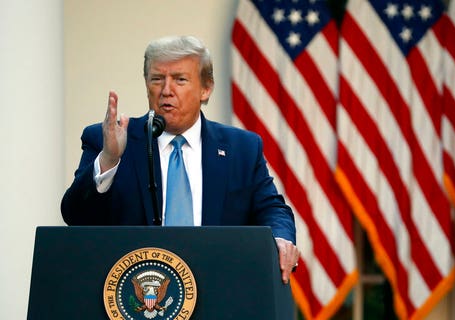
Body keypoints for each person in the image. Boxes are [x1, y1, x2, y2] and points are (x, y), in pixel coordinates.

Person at [61, 35, 300, 284]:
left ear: (205, 89)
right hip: (136, 296)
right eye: (157, 79)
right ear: (146, 85)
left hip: (219, 292)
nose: (166, 90)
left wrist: (280, 238)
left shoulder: (241, 148)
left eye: (180, 80)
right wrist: (109, 159)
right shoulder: (108, 141)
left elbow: (271, 208)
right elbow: (75, 216)